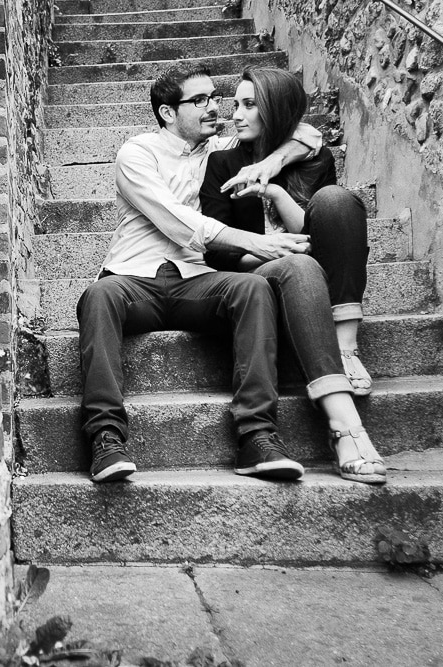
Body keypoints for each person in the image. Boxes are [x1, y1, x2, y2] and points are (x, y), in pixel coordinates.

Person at [79, 64, 322, 484]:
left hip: (198, 281)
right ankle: (105, 437)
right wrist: (252, 241)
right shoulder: (137, 152)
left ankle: (257, 436)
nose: (215, 108)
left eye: (214, 97)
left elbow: (310, 136)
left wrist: (272, 162)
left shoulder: (225, 151)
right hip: (134, 278)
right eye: (200, 101)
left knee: (253, 288)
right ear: (168, 113)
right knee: (98, 296)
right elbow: (175, 221)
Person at [199, 67, 385, 485]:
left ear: (275, 110)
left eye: (250, 105)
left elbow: (313, 232)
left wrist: (275, 191)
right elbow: (218, 250)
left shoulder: (311, 156)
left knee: (337, 202)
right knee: (298, 265)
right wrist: (267, 250)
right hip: (260, 275)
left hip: (320, 274)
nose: (236, 115)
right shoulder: (222, 161)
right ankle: (345, 428)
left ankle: (346, 346)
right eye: (235, 105)